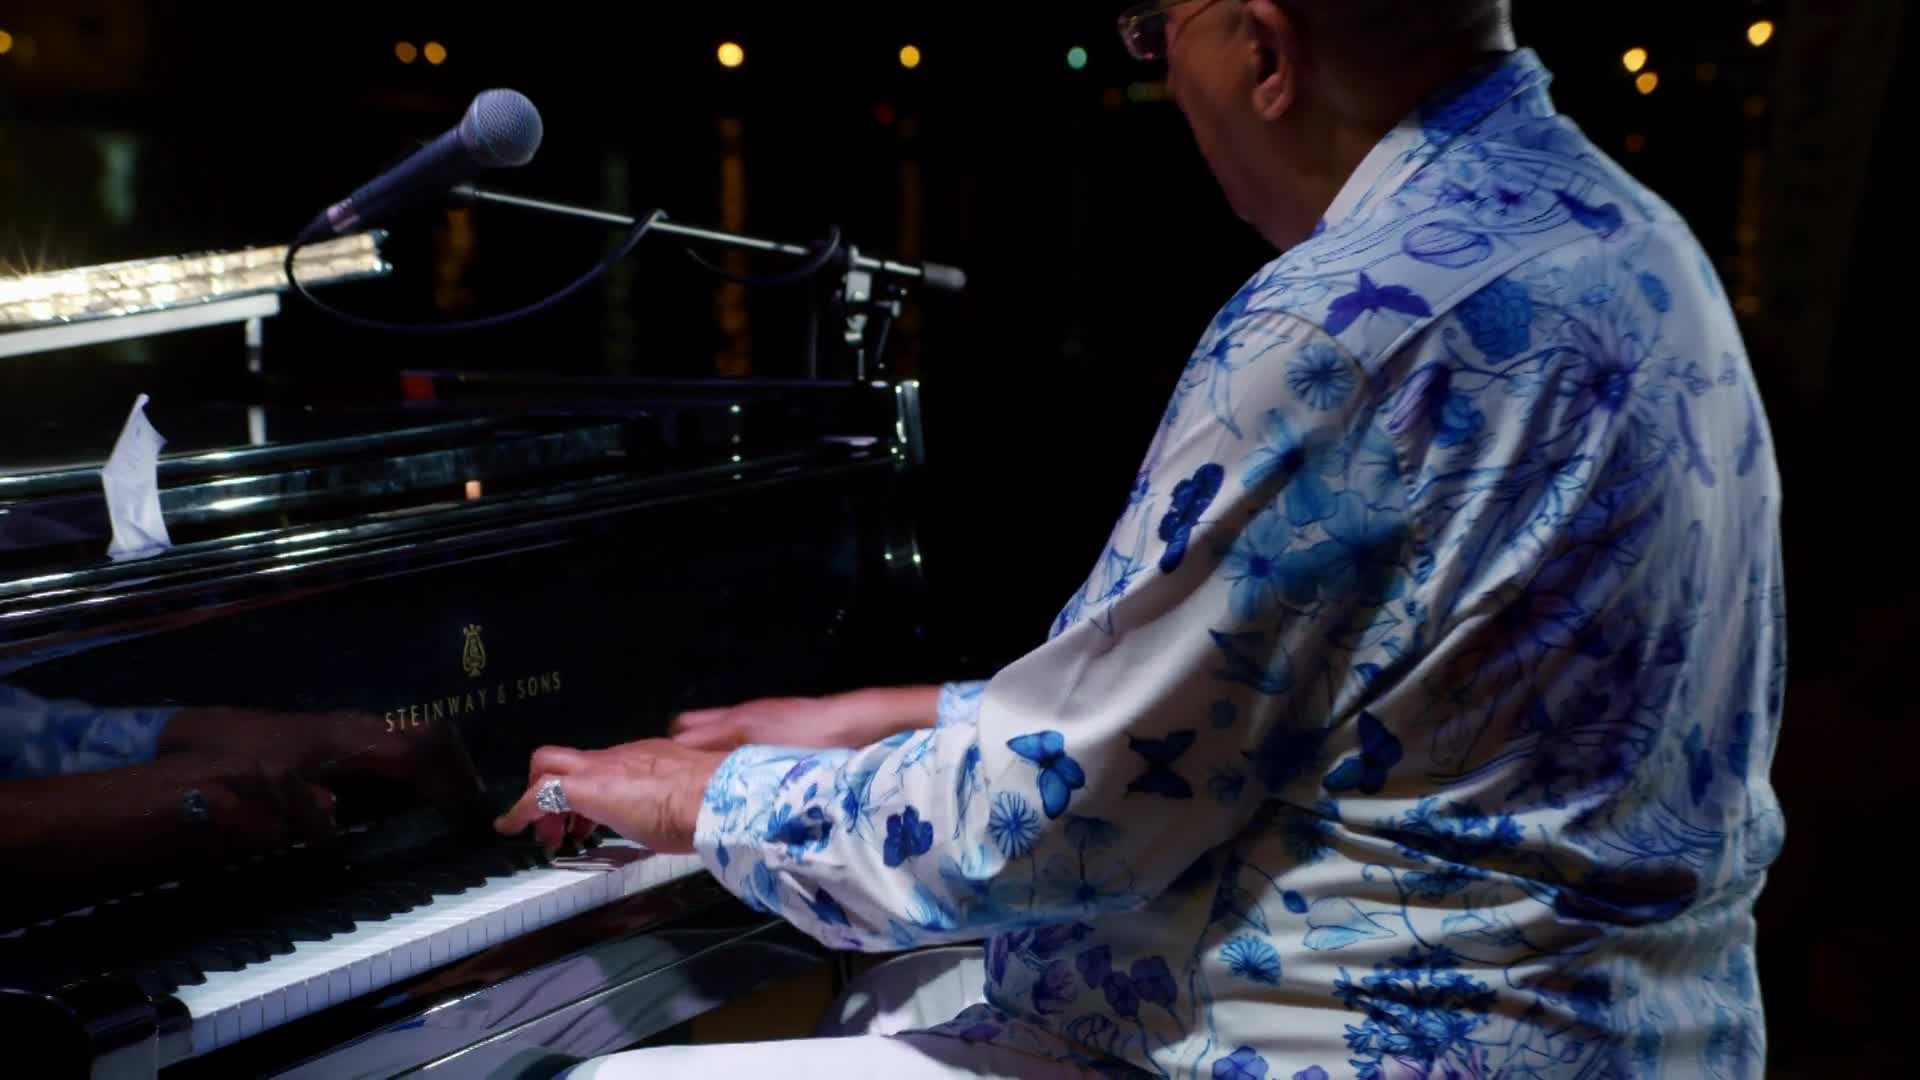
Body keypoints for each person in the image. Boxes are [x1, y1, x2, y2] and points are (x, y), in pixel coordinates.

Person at [497, 0, 1785, 1075]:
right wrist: (927, 710)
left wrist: (705, 798)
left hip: (1370, 1044)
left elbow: (1039, 831)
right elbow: (1371, 690)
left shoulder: (1347, 320)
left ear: (1268, 55)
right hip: (1647, 1035)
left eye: (1158, 29)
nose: (1162, 75)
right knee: (897, 995)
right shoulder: (1641, 245)